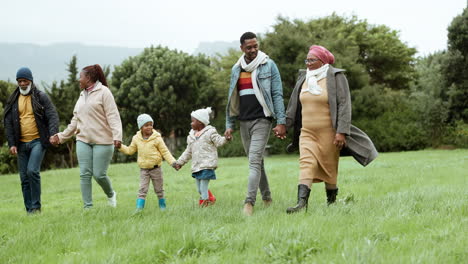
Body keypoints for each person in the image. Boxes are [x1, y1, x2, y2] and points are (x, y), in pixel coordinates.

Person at [285, 45, 378, 214]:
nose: (308, 63)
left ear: (322, 61)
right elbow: (293, 105)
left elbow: (344, 105)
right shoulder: (304, 78)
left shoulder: (336, 77)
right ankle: (301, 204)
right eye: (307, 60)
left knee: (329, 168)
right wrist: (285, 124)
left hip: (329, 132)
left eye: (312, 60)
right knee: (306, 163)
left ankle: (332, 203)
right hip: (307, 132)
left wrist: (341, 131)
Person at [224, 32, 287, 216]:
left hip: (262, 119)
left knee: (253, 162)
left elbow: (277, 94)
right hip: (244, 121)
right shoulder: (237, 68)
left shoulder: (269, 65)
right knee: (257, 163)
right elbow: (232, 98)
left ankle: (249, 203)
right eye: (249, 47)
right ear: (242, 48)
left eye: (255, 46)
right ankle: (267, 198)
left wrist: (280, 121)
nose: (253, 50)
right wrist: (230, 124)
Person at [50, 64, 122, 209]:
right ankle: (88, 207)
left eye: (80, 77)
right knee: (84, 174)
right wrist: (61, 136)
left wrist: (117, 136)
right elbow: (75, 121)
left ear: (88, 78)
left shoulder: (104, 92)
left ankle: (111, 194)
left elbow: (113, 116)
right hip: (83, 139)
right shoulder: (82, 95)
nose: (79, 80)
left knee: (99, 174)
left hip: (103, 140)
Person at [3, 67, 59, 214]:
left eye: (25, 81)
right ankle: (29, 210)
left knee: (32, 171)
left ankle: (36, 207)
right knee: (23, 177)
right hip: (20, 143)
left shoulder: (41, 96)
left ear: (31, 81)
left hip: (38, 141)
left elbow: (52, 115)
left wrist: (53, 134)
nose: (22, 83)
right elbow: (8, 122)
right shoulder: (13, 100)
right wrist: (12, 143)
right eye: (19, 81)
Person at [117, 114, 178, 212]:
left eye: (151, 124)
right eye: (146, 125)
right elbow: (130, 150)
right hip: (144, 170)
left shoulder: (157, 138)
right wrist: (120, 147)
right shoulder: (136, 138)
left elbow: (165, 152)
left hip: (156, 169)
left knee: (159, 189)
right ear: (141, 127)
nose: (149, 127)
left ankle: (163, 207)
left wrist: (173, 162)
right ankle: (139, 209)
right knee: (142, 189)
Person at [176, 107, 229, 207]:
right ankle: (211, 198)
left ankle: (204, 205)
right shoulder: (191, 136)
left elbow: (219, 141)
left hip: (207, 165)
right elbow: (188, 152)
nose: (191, 123)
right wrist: (180, 162)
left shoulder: (210, 132)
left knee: (203, 188)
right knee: (199, 189)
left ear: (200, 122)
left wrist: (226, 138)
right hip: (197, 166)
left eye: (193, 121)